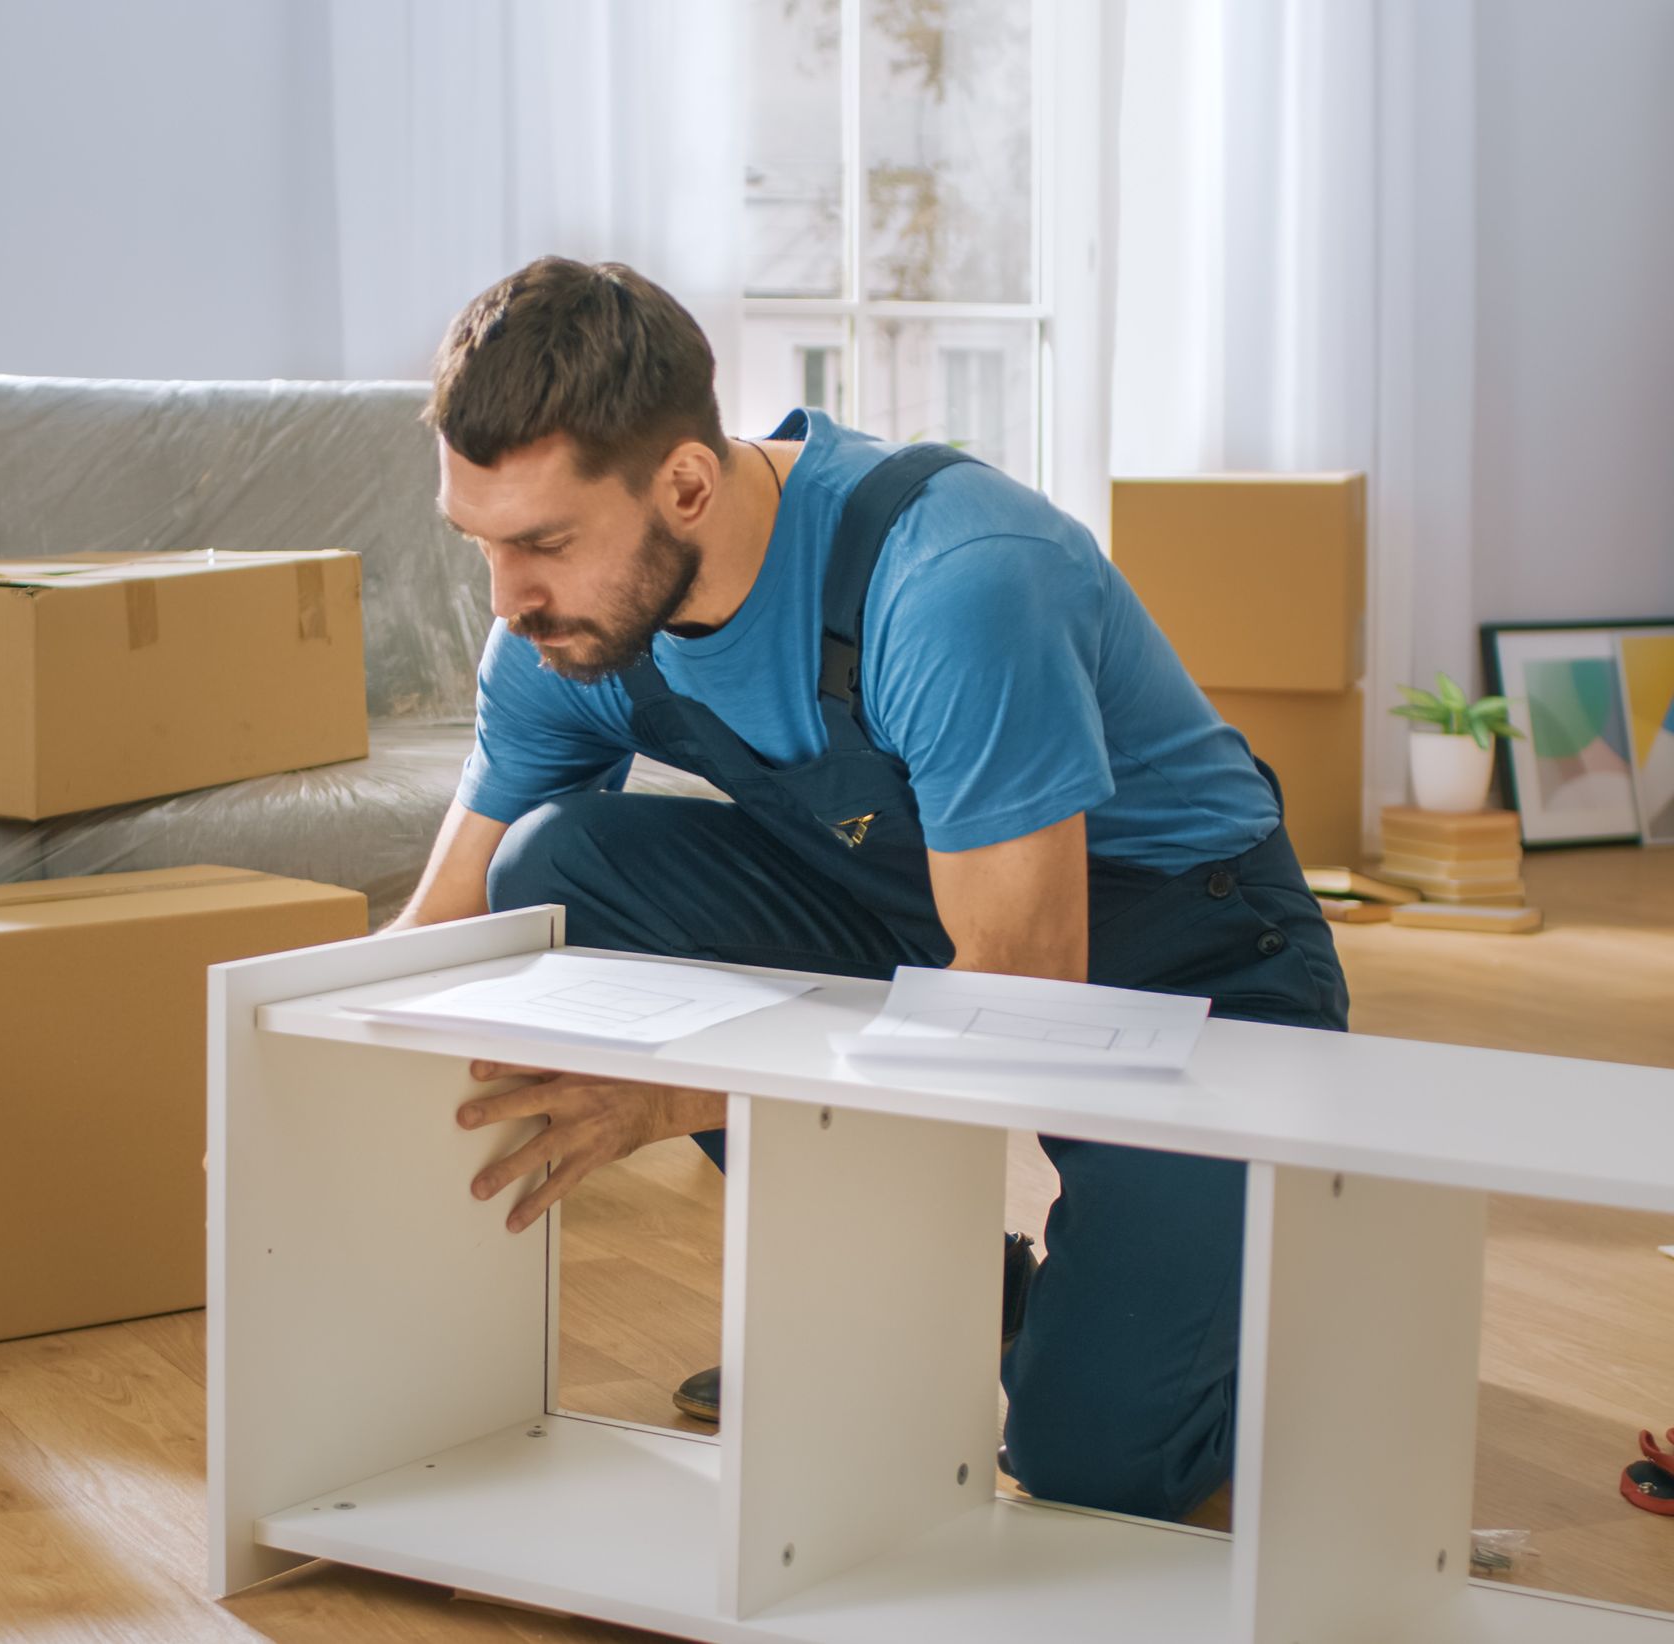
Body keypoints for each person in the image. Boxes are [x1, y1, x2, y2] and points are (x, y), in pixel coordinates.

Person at [391, 255, 1349, 1522]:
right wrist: (281, 1084)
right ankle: (960, 1291)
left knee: (1090, 1466)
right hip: (911, 924)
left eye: (543, 545)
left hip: (1191, 965)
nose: (509, 602)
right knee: (558, 868)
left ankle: (1232, 1284)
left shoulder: (955, 581)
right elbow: (453, 911)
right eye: (481, 546)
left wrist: (676, 1093)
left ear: (684, 481)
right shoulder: (568, 630)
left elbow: (1022, 1002)